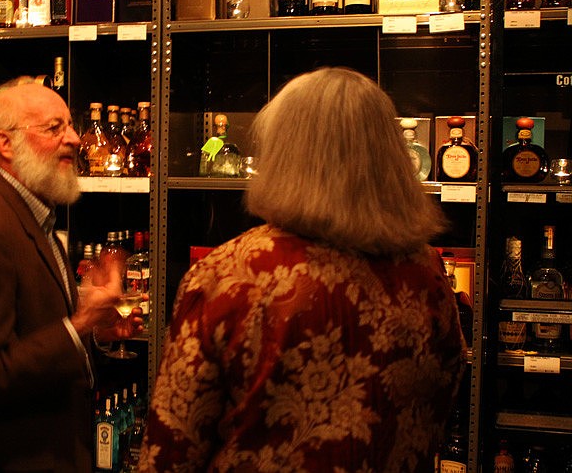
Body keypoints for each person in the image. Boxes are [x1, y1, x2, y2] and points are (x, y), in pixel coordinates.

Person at [138, 67, 466, 472]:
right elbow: (444, 398)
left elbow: (170, 449)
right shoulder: (428, 272)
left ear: (284, 154)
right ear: (390, 156)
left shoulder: (229, 275)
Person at [0, 78, 144, 472]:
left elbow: (30, 332)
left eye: (70, 124)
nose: (77, 138)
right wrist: (78, 325)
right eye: (55, 128)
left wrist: (93, 330)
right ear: (5, 143)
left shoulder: (34, 214)